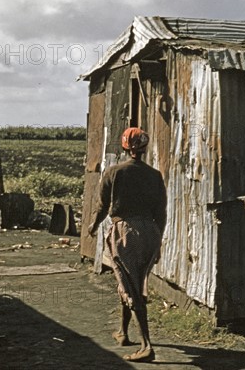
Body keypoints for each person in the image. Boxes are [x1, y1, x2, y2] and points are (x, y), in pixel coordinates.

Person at [88, 127, 167, 363]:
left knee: (130, 287)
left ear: (124, 146)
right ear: (144, 147)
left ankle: (146, 346)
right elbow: (160, 213)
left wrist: (93, 226)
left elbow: (102, 207)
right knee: (131, 281)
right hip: (150, 233)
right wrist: (158, 240)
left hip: (125, 233)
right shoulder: (155, 175)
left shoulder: (114, 172)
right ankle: (123, 332)